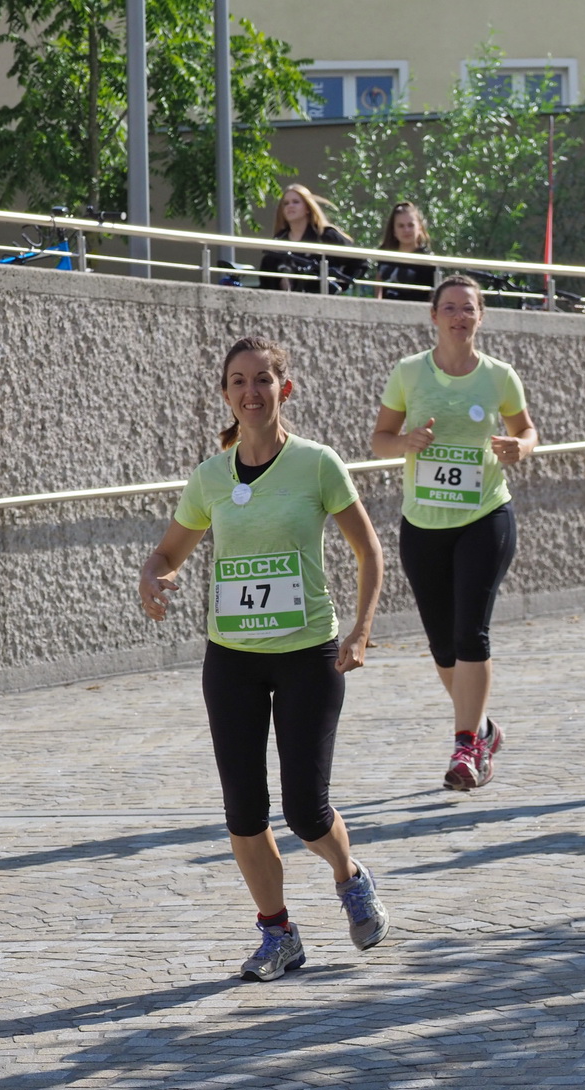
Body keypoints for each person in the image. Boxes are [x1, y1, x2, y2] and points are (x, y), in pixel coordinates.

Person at [139, 336, 389, 981]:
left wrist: (360, 631)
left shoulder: (316, 465)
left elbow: (369, 552)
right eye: (238, 381)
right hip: (232, 660)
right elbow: (167, 553)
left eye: (262, 380)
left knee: (306, 809)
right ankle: (279, 934)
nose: (251, 392)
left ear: (286, 388)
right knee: (243, 811)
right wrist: (153, 578)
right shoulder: (211, 477)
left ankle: (348, 873)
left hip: (308, 655)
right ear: (225, 394)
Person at [371, 275, 539, 790]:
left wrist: (521, 448)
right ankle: (484, 728)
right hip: (423, 525)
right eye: (449, 308)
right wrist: (407, 442)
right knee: (444, 646)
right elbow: (378, 441)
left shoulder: (499, 376)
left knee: (472, 633)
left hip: (485, 516)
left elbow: (527, 430)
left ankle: (467, 746)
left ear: (480, 317)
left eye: (468, 309)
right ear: (433, 316)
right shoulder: (408, 373)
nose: (459, 317)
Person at [259, 184, 364, 294]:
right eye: (286, 203)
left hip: (320, 301)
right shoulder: (278, 242)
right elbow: (266, 280)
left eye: (296, 202)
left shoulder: (325, 235)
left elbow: (359, 261)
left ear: (307, 207)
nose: (290, 206)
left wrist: (339, 286)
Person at [374, 201, 436, 303]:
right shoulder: (385, 255)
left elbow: (433, 296)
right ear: (394, 230)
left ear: (419, 227)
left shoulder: (427, 260)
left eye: (410, 225)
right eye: (401, 226)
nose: (406, 230)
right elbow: (378, 287)